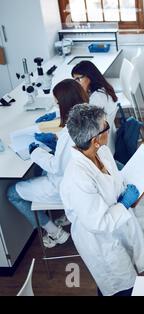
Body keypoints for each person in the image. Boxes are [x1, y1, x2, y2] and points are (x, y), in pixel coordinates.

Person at [60, 104, 144, 296]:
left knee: (128, 279)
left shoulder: (101, 152)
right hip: (101, 243)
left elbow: (115, 182)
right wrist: (124, 203)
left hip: (118, 229)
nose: (109, 128)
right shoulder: (78, 177)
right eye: (106, 126)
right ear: (95, 139)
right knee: (120, 287)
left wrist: (141, 182)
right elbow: (99, 223)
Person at [7, 79, 89, 248]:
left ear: (65, 104)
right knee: (37, 173)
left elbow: (55, 167)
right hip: (80, 181)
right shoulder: (88, 120)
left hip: (64, 186)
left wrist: (35, 152)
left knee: (12, 193)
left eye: (58, 103)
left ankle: (54, 232)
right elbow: (68, 155)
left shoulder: (68, 132)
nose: (57, 107)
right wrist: (55, 145)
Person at [71, 60, 119, 153]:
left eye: (78, 79)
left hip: (99, 147)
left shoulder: (97, 98)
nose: (76, 83)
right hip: (108, 142)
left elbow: (86, 128)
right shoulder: (102, 90)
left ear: (89, 77)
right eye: (74, 79)